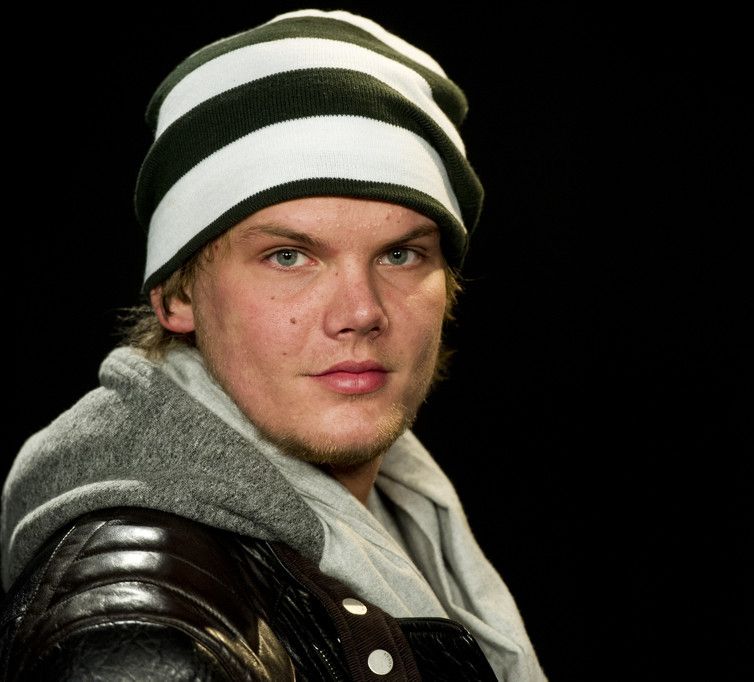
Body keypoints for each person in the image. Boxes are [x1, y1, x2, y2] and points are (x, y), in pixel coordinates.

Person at [0, 8, 546, 681]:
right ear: (175, 297)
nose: (361, 312)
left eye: (400, 254)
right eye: (289, 257)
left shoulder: (408, 516)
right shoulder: (148, 645)